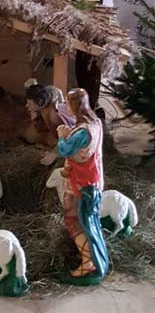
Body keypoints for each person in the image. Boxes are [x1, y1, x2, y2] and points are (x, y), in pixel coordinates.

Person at [56, 88, 110, 284]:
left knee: (81, 222)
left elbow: (65, 150)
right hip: (90, 180)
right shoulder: (94, 123)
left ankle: (90, 263)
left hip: (83, 183)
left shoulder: (83, 132)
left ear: (75, 105)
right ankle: (94, 259)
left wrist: (62, 136)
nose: (65, 106)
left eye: (68, 102)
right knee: (86, 221)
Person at [24, 79, 75, 165]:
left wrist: (54, 154)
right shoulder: (46, 108)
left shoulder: (54, 115)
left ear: (39, 102)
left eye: (29, 103)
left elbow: (71, 137)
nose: (26, 105)